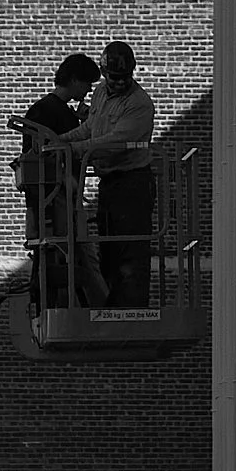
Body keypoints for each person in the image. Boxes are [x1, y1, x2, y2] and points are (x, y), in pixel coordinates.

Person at [59, 41, 156, 308]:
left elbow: (113, 143)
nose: (120, 83)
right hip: (111, 185)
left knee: (130, 254)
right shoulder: (101, 94)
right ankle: (114, 307)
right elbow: (91, 127)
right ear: (104, 73)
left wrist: (71, 150)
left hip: (133, 184)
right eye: (114, 77)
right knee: (110, 251)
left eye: (125, 77)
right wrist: (60, 142)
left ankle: (131, 310)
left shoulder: (139, 104)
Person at [10, 53, 103, 309]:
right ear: (74, 80)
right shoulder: (50, 112)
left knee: (58, 253)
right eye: (86, 84)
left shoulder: (45, 110)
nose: (88, 90)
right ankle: (97, 307)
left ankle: (57, 303)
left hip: (53, 199)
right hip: (58, 197)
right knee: (75, 252)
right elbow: (45, 155)